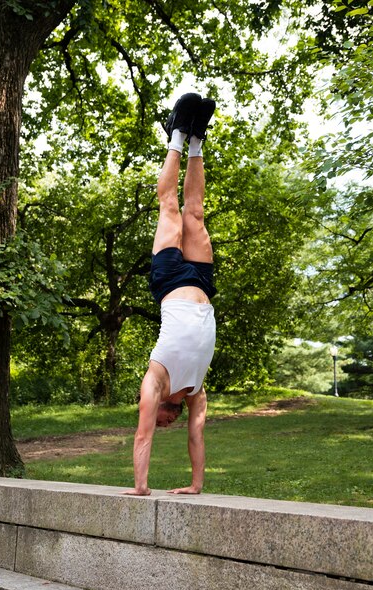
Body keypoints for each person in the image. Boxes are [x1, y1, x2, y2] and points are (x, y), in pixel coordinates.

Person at [123, 92, 217, 496]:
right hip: (201, 283)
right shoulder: (196, 392)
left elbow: (142, 437)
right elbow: (196, 437)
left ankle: (177, 133)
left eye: (160, 422)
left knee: (169, 208)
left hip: (168, 281)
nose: (161, 425)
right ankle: (196, 138)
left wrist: (140, 487)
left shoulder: (155, 382)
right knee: (194, 211)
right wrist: (196, 485)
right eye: (164, 423)